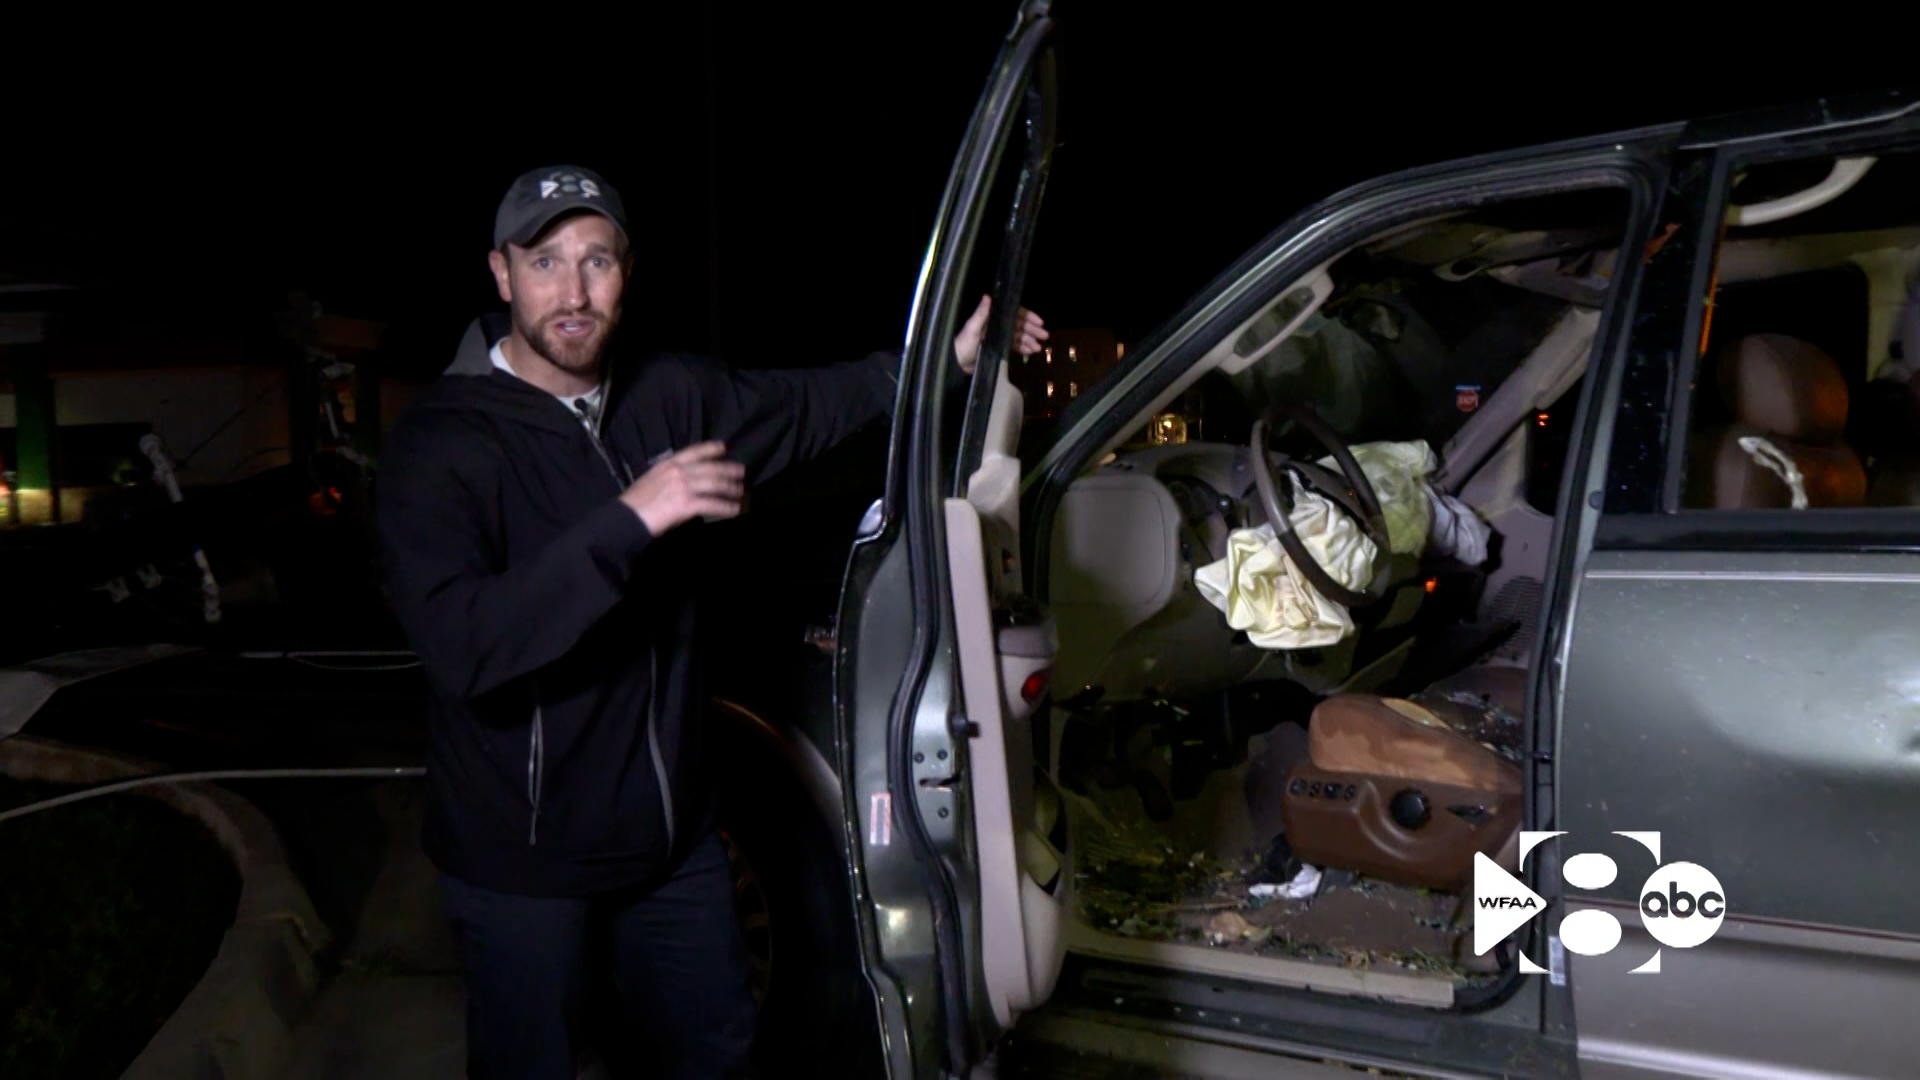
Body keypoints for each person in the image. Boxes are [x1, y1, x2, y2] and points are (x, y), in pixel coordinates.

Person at [374, 164, 1044, 1080]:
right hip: (520, 864)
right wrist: (631, 518)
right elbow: (466, 645)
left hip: (670, 843)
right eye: (545, 262)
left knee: (720, 1054)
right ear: (502, 274)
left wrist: (951, 358)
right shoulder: (442, 440)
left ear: (627, 271)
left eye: (597, 261)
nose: (573, 292)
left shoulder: (669, 396)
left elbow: (813, 407)